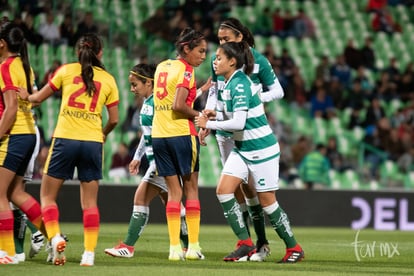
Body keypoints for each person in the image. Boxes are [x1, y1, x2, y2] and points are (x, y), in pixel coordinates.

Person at [195, 41, 304, 263]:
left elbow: (239, 123)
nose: (214, 62)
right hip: (242, 149)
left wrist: (210, 123)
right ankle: (245, 243)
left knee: (268, 202)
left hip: (262, 150)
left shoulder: (241, 84)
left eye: (219, 58)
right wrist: (213, 117)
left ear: (232, 61)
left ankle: (294, 248)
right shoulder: (227, 82)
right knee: (224, 191)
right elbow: (232, 117)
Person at [18, 33, 119, 266]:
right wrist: (102, 134)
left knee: (47, 197)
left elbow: (37, 99)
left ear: (77, 52)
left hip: (65, 139)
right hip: (93, 142)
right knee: (90, 203)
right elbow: (114, 119)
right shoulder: (109, 80)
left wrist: (26, 95)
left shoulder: (65, 71)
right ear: (100, 53)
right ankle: (89, 254)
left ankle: (53, 238)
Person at [105, 63, 191, 258]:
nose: (132, 89)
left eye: (135, 84)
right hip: (156, 160)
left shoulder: (156, 104)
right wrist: (137, 156)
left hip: (161, 161)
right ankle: (189, 246)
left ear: (149, 83)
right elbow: (147, 134)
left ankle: (128, 246)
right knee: (173, 203)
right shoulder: (148, 102)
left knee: (141, 198)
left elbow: (159, 132)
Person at [151, 27, 207, 261]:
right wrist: (201, 116)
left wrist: (202, 90)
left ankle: (175, 248)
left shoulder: (162, 66)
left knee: (174, 192)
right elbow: (179, 105)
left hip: (160, 135)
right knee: (191, 188)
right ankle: (193, 247)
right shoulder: (186, 70)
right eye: (200, 51)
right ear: (186, 49)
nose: (203, 56)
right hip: (182, 134)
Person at [0, 18, 46, 265]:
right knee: (15, 192)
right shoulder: (25, 66)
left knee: (0, 195)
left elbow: (10, 109)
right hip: (29, 132)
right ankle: (53, 234)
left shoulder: (6, 67)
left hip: (14, 133)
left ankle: (6, 252)